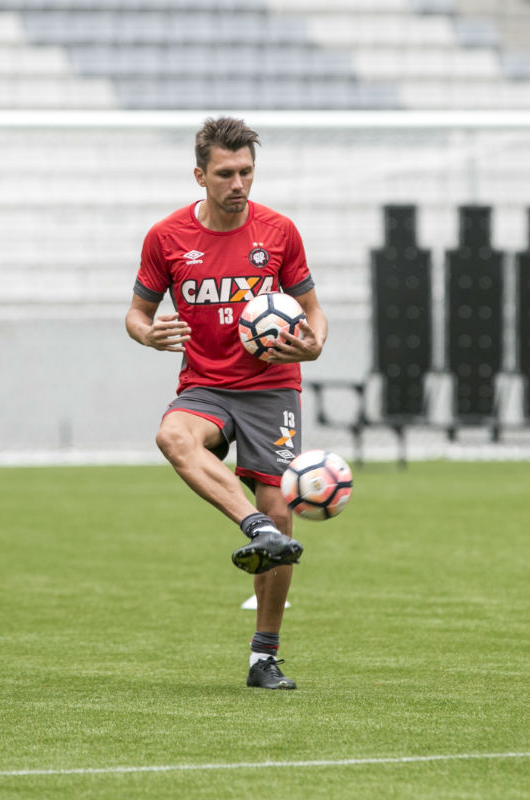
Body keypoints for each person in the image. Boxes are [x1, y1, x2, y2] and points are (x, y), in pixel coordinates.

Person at [125, 116, 328, 690]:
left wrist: (314, 344)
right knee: (172, 437)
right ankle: (255, 527)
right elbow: (136, 314)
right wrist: (148, 334)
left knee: (283, 513)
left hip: (272, 385)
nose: (238, 184)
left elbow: (314, 311)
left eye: (246, 172)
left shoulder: (280, 232)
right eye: (225, 174)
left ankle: (264, 657)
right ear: (200, 176)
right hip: (206, 386)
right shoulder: (166, 238)